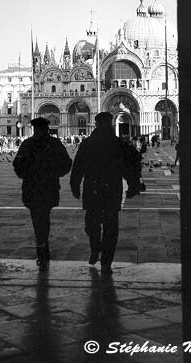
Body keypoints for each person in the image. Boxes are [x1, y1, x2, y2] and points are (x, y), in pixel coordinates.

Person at [70, 111, 136, 275]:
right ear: (99, 124)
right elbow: (78, 165)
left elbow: (128, 166)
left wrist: (75, 183)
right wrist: (74, 183)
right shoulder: (95, 143)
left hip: (99, 189)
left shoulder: (115, 143)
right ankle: (97, 248)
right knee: (97, 225)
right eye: (104, 123)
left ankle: (105, 260)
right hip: (107, 189)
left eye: (108, 123)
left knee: (106, 226)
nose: (106, 126)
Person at [13, 117, 72, 271]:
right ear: (47, 129)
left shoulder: (27, 144)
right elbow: (66, 163)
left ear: (35, 129)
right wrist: (55, 173)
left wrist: (26, 175)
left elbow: (17, 165)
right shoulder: (54, 144)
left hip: (32, 188)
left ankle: (41, 247)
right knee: (44, 217)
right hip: (49, 187)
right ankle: (43, 246)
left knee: (37, 218)